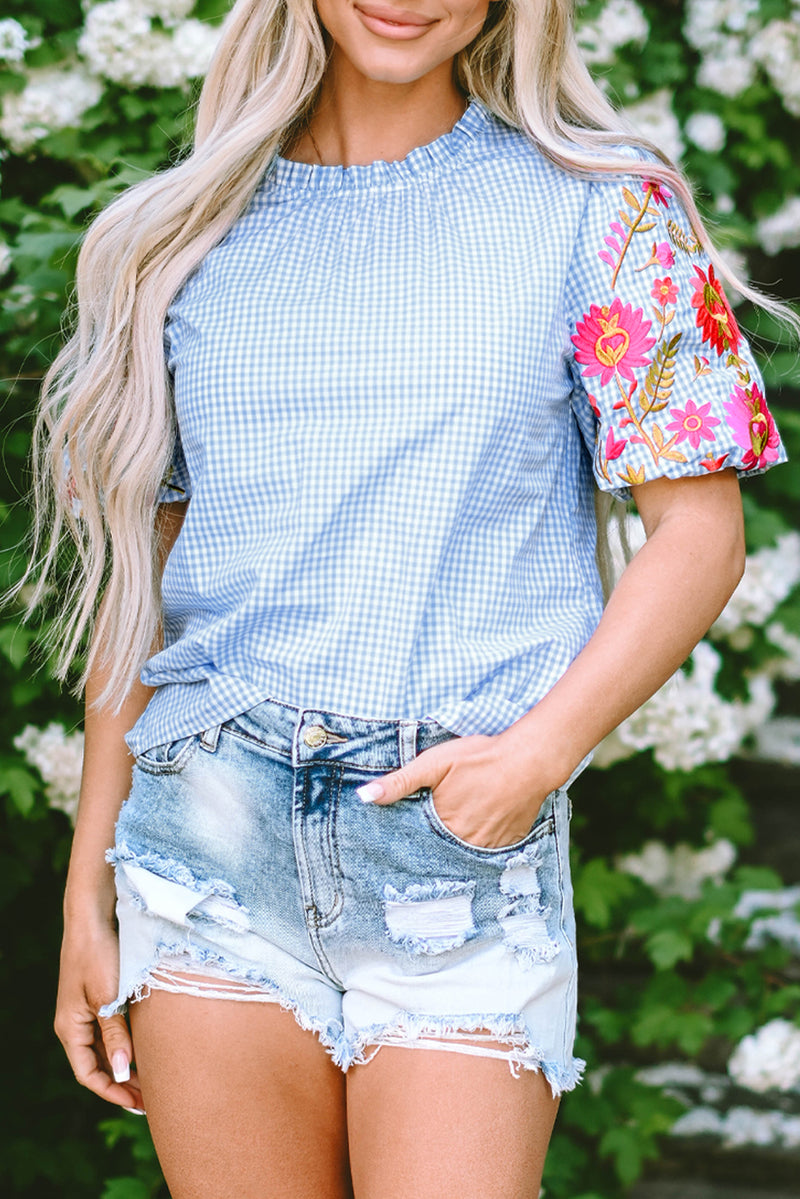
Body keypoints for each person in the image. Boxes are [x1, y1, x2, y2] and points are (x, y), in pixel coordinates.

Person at [25, 0, 788, 1195]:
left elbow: (697, 537)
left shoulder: (602, 204)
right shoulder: (175, 236)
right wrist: (86, 888)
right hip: (205, 840)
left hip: (453, 843)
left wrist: (526, 764)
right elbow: (146, 595)